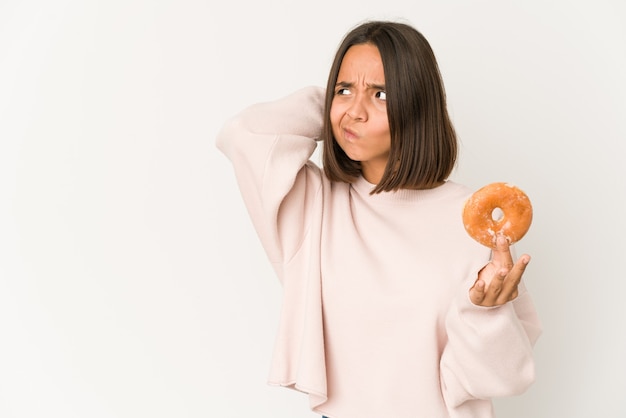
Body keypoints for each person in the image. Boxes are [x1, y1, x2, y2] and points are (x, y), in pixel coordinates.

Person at [216, 20, 541, 418]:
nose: (356, 111)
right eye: (344, 89)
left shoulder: (472, 224)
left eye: (382, 94)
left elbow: (503, 379)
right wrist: (343, 108)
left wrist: (485, 312)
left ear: (416, 104)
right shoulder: (314, 208)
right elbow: (243, 133)